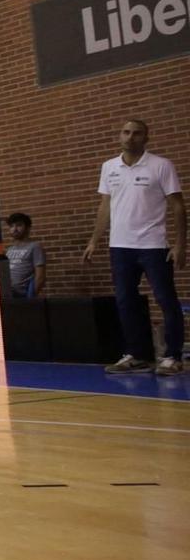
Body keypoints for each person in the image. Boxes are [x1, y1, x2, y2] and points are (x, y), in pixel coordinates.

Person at [83, 119, 183, 375]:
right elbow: (105, 206)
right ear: (120, 136)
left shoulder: (161, 166)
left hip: (153, 246)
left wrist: (181, 244)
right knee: (126, 301)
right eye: (126, 132)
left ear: (146, 138)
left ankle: (172, 356)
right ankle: (136, 354)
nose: (130, 137)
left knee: (166, 300)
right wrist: (95, 239)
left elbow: (178, 206)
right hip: (120, 247)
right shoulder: (109, 167)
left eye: (137, 133)